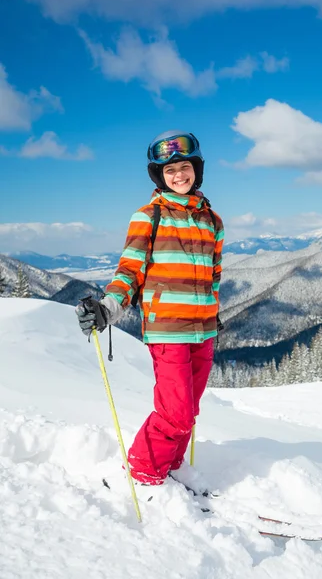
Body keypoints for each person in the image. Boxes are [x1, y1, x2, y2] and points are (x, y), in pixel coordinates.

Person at [75, 130, 224, 489]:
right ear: (160, 176)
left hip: (203, 330)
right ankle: (143, 475)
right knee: (175, 412)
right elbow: (130, 270)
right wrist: (109, 307)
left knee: (188, 411)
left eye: (185, 167)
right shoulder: (148, 216)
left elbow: (213, 275)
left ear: (197, 170)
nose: (178, 175)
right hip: (167, 330)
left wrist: (212, 310)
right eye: (170, 170)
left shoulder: (212, 222)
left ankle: (170, 468)